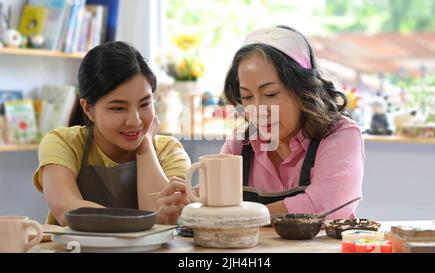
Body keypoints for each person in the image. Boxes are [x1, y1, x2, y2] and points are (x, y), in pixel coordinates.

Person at [33, 41, 191, 226]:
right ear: (88, 109)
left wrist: (145, 147)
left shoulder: (170, 152)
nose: (135, 121)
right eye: (117, 108)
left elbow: (161, 216)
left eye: (145, 104)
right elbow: (68, 211)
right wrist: (143, 221)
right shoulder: (63, 143)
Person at [221, 26, 364, 219]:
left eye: (270, 94)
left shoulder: (341, 134)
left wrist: (240, 216)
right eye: (246, 96)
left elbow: (325, 204)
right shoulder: (240, 145)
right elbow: (216, 203)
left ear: (302, 90)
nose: (257, 110)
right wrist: (190, 202)